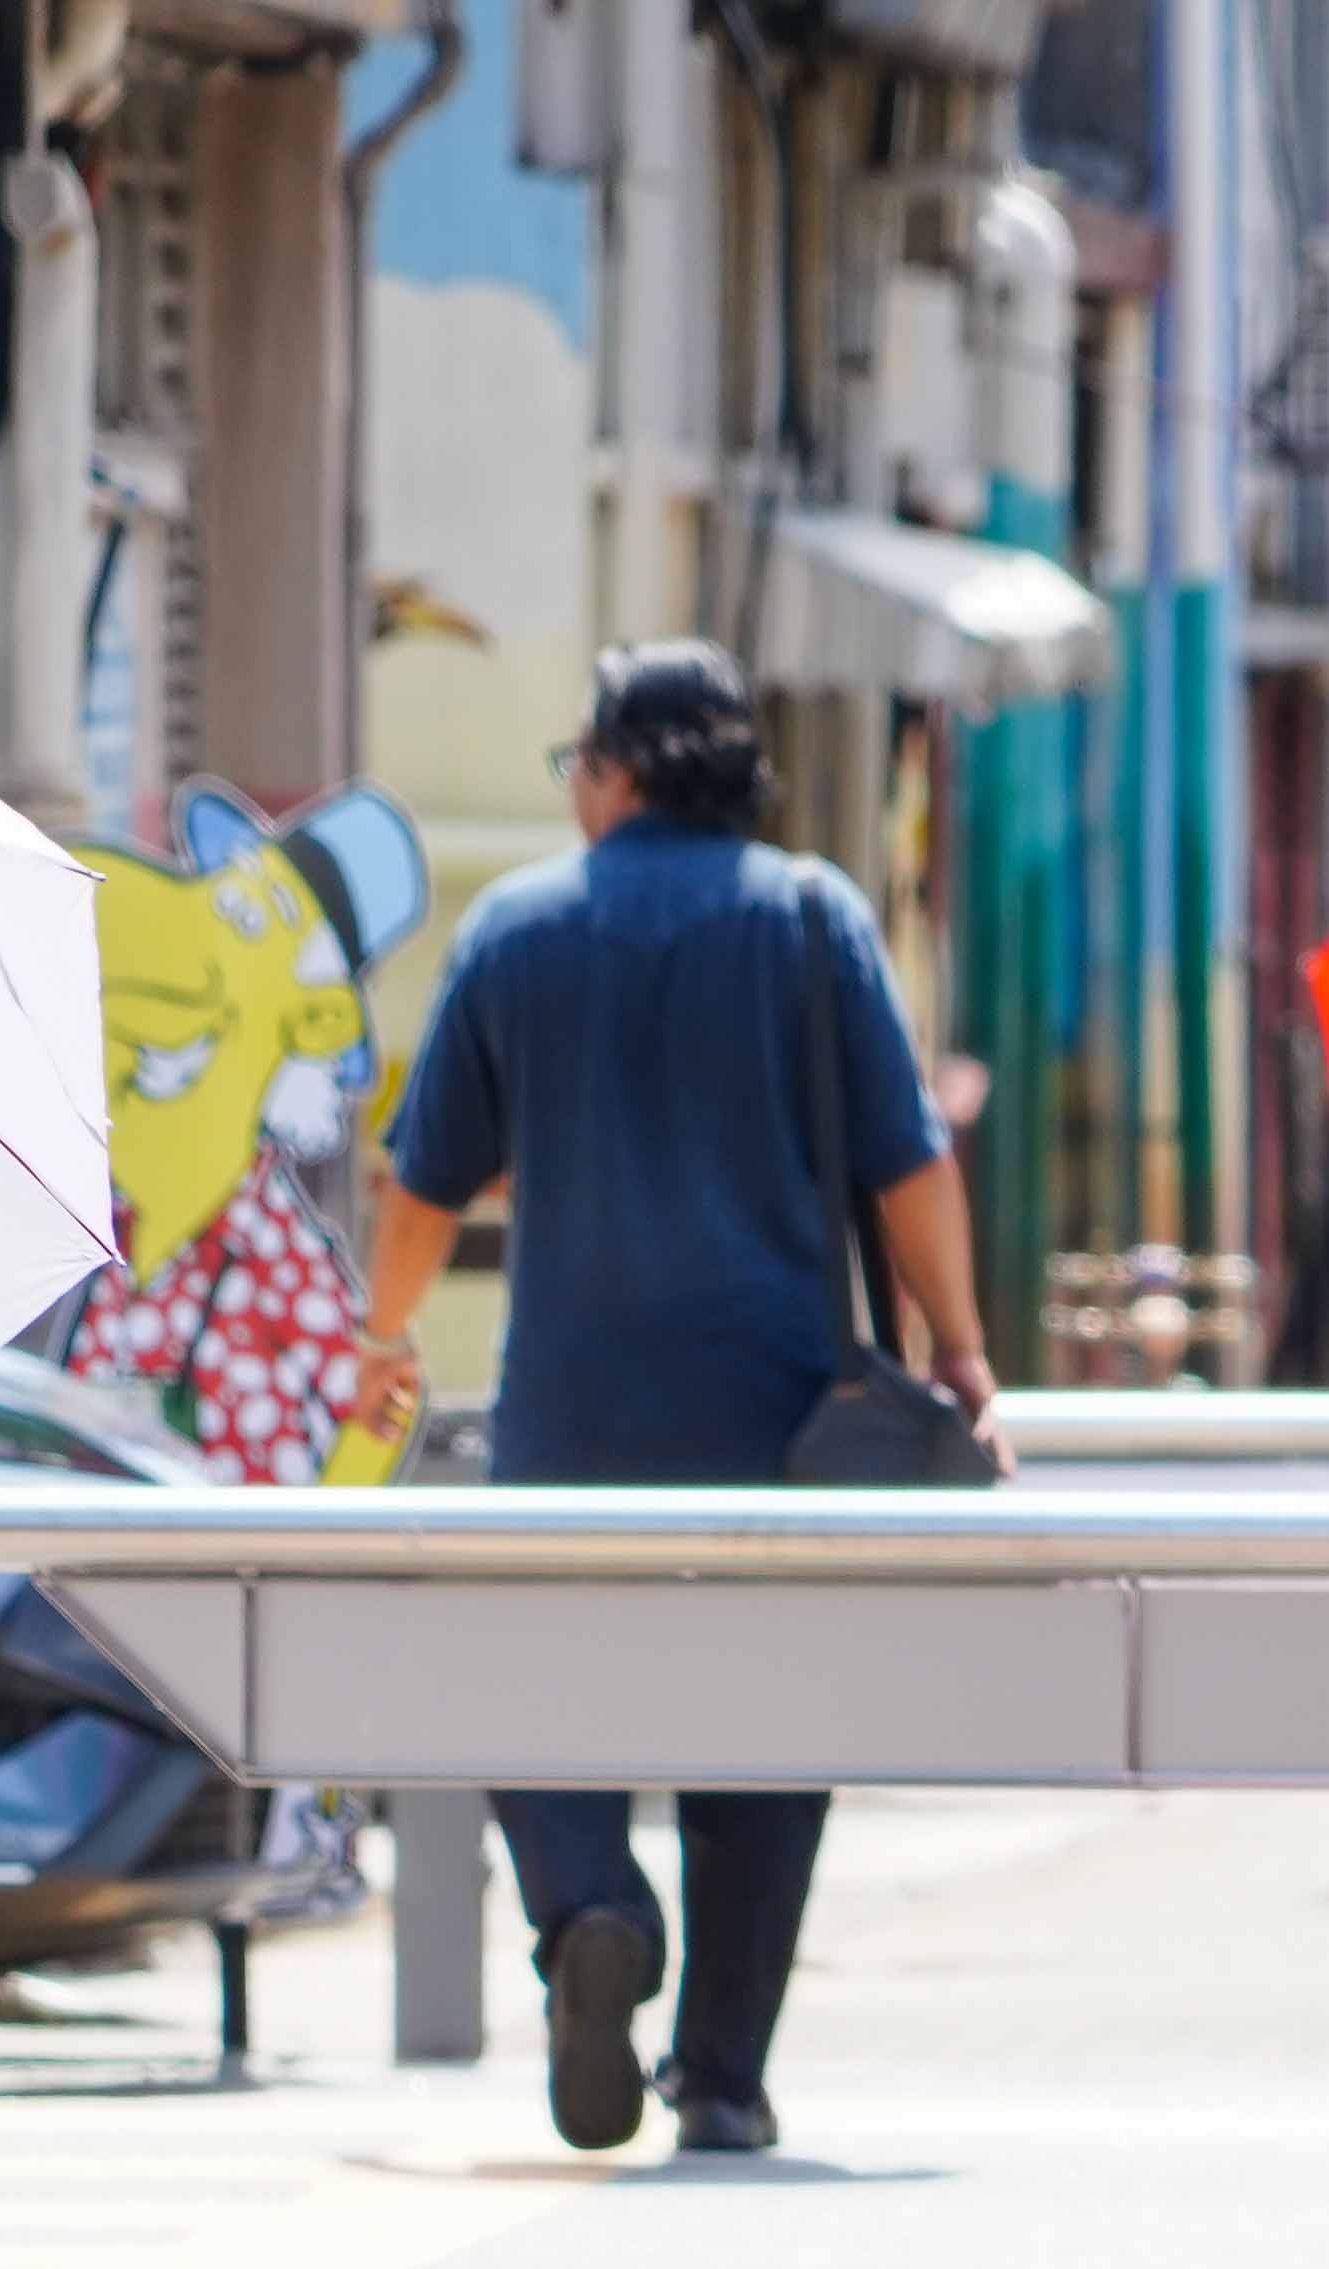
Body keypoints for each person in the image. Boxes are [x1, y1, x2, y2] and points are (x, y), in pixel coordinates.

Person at [362, 642, 1002, 2155]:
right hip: (779, 1418)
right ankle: (720, 2073)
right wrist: (965, 1352)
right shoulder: (813, 917)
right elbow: (909, 1168)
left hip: (569, 1418)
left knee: (532, 1684)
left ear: (617, 772)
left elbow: (424, 1182)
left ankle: (593, 1907)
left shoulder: (519, 928)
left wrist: (381, 1336)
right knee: (771, 1720)